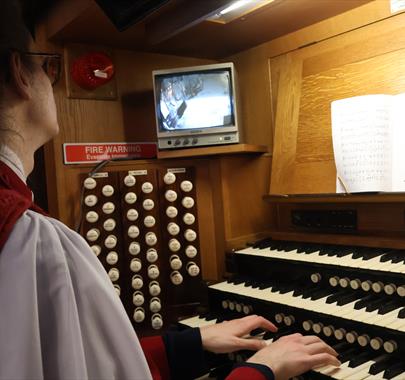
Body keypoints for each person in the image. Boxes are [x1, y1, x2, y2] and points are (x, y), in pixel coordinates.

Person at [0, 1, 340, 379]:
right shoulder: (32, 241)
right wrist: (263, 370)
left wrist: (188, 343)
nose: (52, 81)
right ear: (20, 74)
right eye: (49, 68)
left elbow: (83, 358)